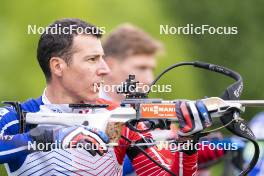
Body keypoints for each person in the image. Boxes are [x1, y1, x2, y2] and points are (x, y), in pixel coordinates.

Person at [0, 18, 222, 176]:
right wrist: (54, 138)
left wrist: (187, 142)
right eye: (92, 59)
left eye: (103, 58)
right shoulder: (16, 117)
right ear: (58, 66)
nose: (105, 69)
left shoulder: (120, 117)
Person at [102, 24, 225, 176]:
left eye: (151, 69)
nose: (149, 79)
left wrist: (192, 154)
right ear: (110, 65)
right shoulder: (84, 107)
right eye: (141, 68)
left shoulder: (152, 114)